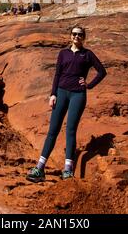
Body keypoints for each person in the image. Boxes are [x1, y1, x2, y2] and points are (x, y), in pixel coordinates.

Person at [26, 25, 107, 182]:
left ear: (84, 37)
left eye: (80, 35)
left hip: (78, 95)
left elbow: (102, 72)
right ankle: (40, 168)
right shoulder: (63, 53)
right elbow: (57, 74)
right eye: (74, 34)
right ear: (70, 36)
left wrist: (89, 85)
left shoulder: (88, 54)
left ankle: (68, 170)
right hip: (62, 93)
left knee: (70, 130)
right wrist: (53, 94)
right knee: (52, 131)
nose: (77, 37)